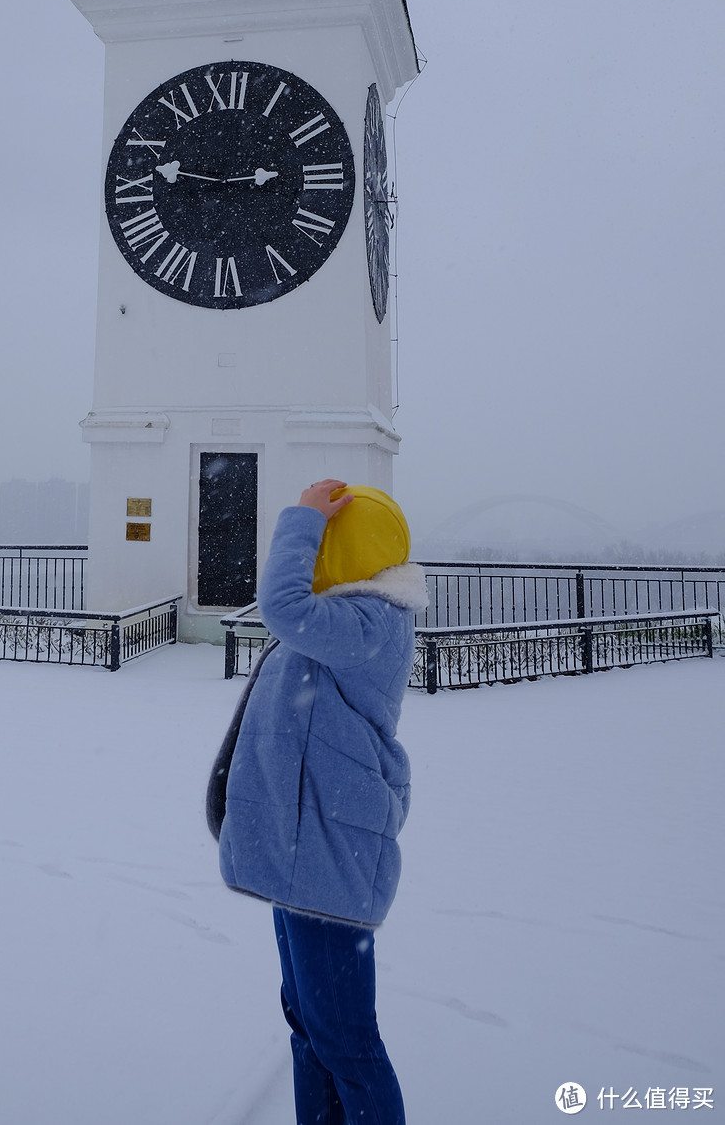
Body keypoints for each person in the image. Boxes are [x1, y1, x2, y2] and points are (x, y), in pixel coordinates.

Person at [218, 478, 426, 1125]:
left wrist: (300, 519)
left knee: (346, 1042)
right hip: (301, 853)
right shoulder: (345, 621)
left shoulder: (367, 623)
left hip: (328, 859)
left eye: (323, 543)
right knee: (308, 1027)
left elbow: (279, 606)